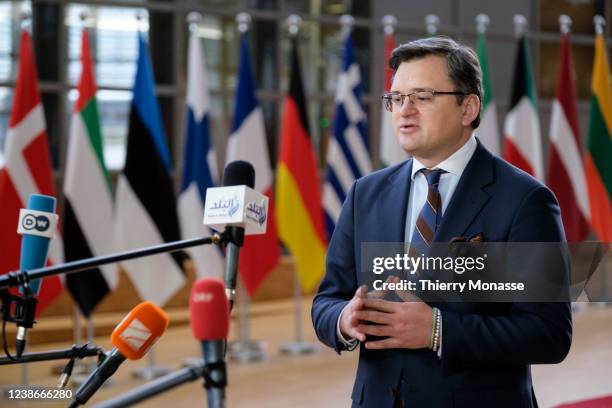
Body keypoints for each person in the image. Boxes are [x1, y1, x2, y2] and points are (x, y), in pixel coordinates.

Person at [311, 36, 571, 408]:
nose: (404, 110)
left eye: (422, 96)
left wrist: (437, 330)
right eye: (396, 98)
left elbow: (549, 333)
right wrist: (344, 319)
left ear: (468, 108)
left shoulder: (525, 200)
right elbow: (327, 300)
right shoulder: (364, 194)